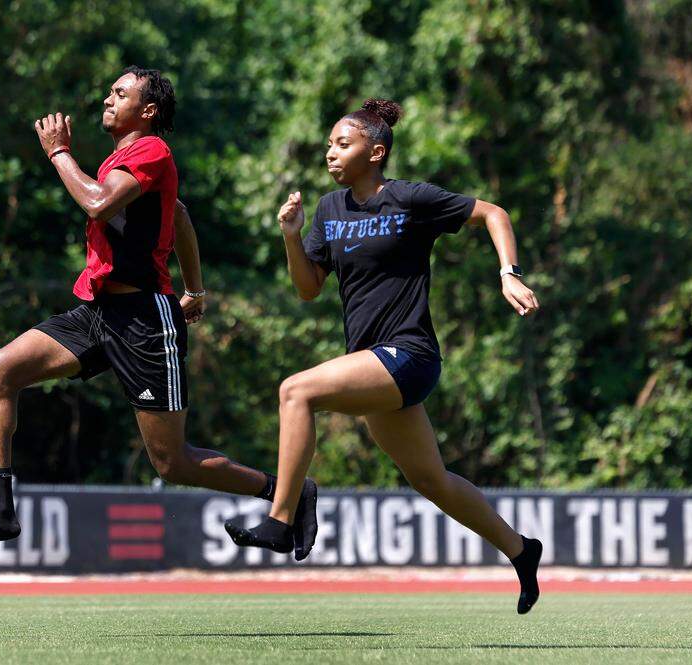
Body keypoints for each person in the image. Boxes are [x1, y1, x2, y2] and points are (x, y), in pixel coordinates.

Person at [0, 66, 315, 554]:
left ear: (149, 110)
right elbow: (177, 214)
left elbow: (97, 204)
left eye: (121, 93)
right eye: (109, 92)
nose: (108, 99)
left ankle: (286, 493)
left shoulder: (152, 150)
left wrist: (58, 153)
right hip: (97, 312)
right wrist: (196, 290)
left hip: (143, 320)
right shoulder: (122, 158)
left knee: (172, 464)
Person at [224, 99, 544, 614]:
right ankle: (521, 550)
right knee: (431, 481)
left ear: (375, 152)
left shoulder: (410, 198)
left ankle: (282, 520)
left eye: (342, 144)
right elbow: (308, 288)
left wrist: (509, 272)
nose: (330, 153)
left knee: (295, 390)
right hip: (373, 363)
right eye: (329, 144)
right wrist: (290, 235)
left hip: (410, 354)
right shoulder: (330, 210)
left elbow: (493, 214)